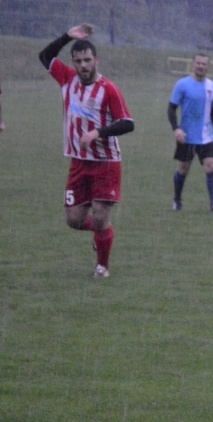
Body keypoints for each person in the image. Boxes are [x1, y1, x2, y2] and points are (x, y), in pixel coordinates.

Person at [39, 23, 134, 279]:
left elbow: (128, 123)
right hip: (78, 163)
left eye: (88, 60)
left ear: (96, 60)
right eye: (78, 60)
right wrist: (67, 36)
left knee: (101, 216)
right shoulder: (67, 79)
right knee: (74, 220)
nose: (83, 65)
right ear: (73, 61)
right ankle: (101, 234)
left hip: (106, 162)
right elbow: (44, 57)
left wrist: (97, 133)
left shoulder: (109, 89)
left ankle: (102, 266)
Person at [168, 53, 213, 213]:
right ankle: (177, 199)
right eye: (198, 63)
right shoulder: (182, 84)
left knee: (211, 167)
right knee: (183, 169)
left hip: (207, 136)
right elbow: (171, 108)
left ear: (208, 67)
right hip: (187, 136)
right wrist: (176, 128)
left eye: (204, 64)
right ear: (193, 64)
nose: (201, 66)